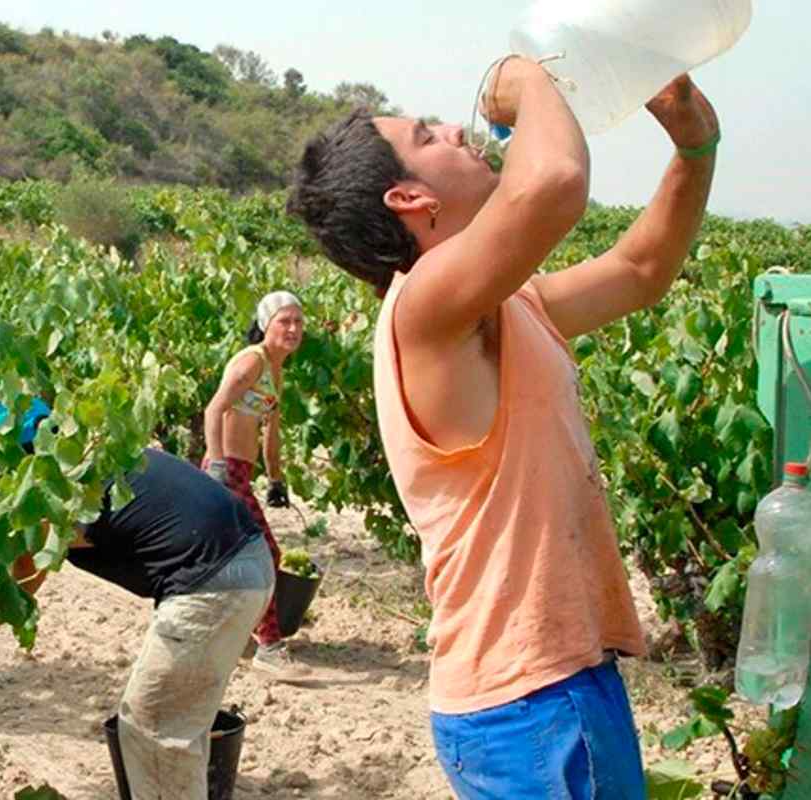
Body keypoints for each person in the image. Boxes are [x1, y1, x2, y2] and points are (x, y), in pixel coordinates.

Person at [286, 58, 718, 798]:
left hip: (561, 684)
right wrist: (527, 78)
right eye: (428, 135)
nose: (455, 129)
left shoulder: (505, 305)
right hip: (524, 704)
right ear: (409, 196)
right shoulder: (424, 310)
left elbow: (643, 268)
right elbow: (550, 184)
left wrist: (694, 148)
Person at [4, 408, 273, 799]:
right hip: (248, 565)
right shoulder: (107, 456)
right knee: (180, 722)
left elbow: (27, 573)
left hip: (213, 584)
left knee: (155, 730)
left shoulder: (62, 486)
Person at [201, 291, 311, 683]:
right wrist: (215, 465)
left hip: (241, 472)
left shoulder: (276, 372)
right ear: (266, 324)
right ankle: (269, 647)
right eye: (285, 321)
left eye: (299, 321)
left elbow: (271, 434)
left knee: (238, 557)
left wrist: (276, 478)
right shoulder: (252, 361)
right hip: (226, 469)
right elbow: (214, 409)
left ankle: (238, 634)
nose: (294, 328)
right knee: (263, 552)